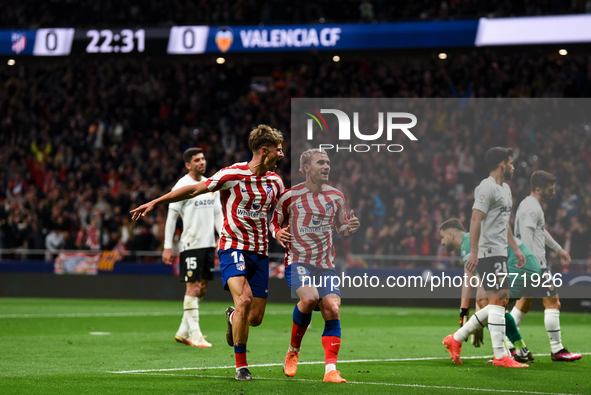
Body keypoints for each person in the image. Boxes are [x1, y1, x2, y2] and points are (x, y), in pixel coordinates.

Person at [131, 125, 285, 381]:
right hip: (233, 246)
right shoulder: (232, 174)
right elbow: (193, 189)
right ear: (265, 150)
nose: (281, 155)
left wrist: (277, 231)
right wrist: (155, 202)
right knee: (244, 300)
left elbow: (276, 217)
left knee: (254, 318)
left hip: (260, 252)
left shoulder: (275, 182)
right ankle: (241, 365)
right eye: (278, 150)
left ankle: (233, 317)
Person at [270, 149, 359, 383]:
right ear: (306, 168)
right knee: (309, 299)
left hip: (326, 265)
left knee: (333, 308)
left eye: (328, 162)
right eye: (321, 162)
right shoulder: (290, 196)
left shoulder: (337, 196)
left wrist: (349, 227)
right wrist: (277, 232)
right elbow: (274, 223)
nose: (326, 166)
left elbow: (340, 228)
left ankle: (330, 370)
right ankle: (293, 351)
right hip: (299, 261)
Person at [443, 147, 528, 368]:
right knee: (498, 300)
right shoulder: (486, 187)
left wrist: (516, 250)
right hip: (488, 251)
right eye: (510, 162)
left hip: (500, 251)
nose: (513, 166)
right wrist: (473, 251)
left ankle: (457, 338)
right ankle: (500, 356)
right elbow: (475, 219)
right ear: (502, 164)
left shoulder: (505, 189)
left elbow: (504, 223)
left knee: (500, 300)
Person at [439, 218, 537, 365]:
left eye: (442, 237)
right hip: (527, 263)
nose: (441, 242)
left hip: (519, 264)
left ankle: (500, 352)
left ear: (451, 234)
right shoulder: (472, 241)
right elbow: (470, 280)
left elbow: (479, 289)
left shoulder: (468, 241)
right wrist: (464, 312)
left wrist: (477, 321)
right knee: (497, 306)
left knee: (488, 301)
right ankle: (519, 350)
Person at [511, 170, 582, 362]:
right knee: (553, 303)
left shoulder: (529, 205)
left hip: (528, 265)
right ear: (538, 189)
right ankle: (557, 349)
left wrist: (558, 249)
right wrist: (531, 264)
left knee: (523, 304)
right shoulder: (533, 208)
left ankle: (509, 347)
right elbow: (527, 235)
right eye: (551, 188)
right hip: (536, 266)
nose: (554, 191)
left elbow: (540, 232)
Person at [162, 148, 223, 348]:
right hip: (190, 244)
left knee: (202, 287)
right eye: (196, 160)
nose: (201, 162)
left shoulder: (210, 185)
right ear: (188, 164)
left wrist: (222, 237)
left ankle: (183, 330)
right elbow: (171, 217)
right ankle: (195, 334)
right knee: (193, 287)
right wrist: (167, 247)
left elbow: (217, 215)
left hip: (207, 245)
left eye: (203, 159)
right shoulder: (182, 185)